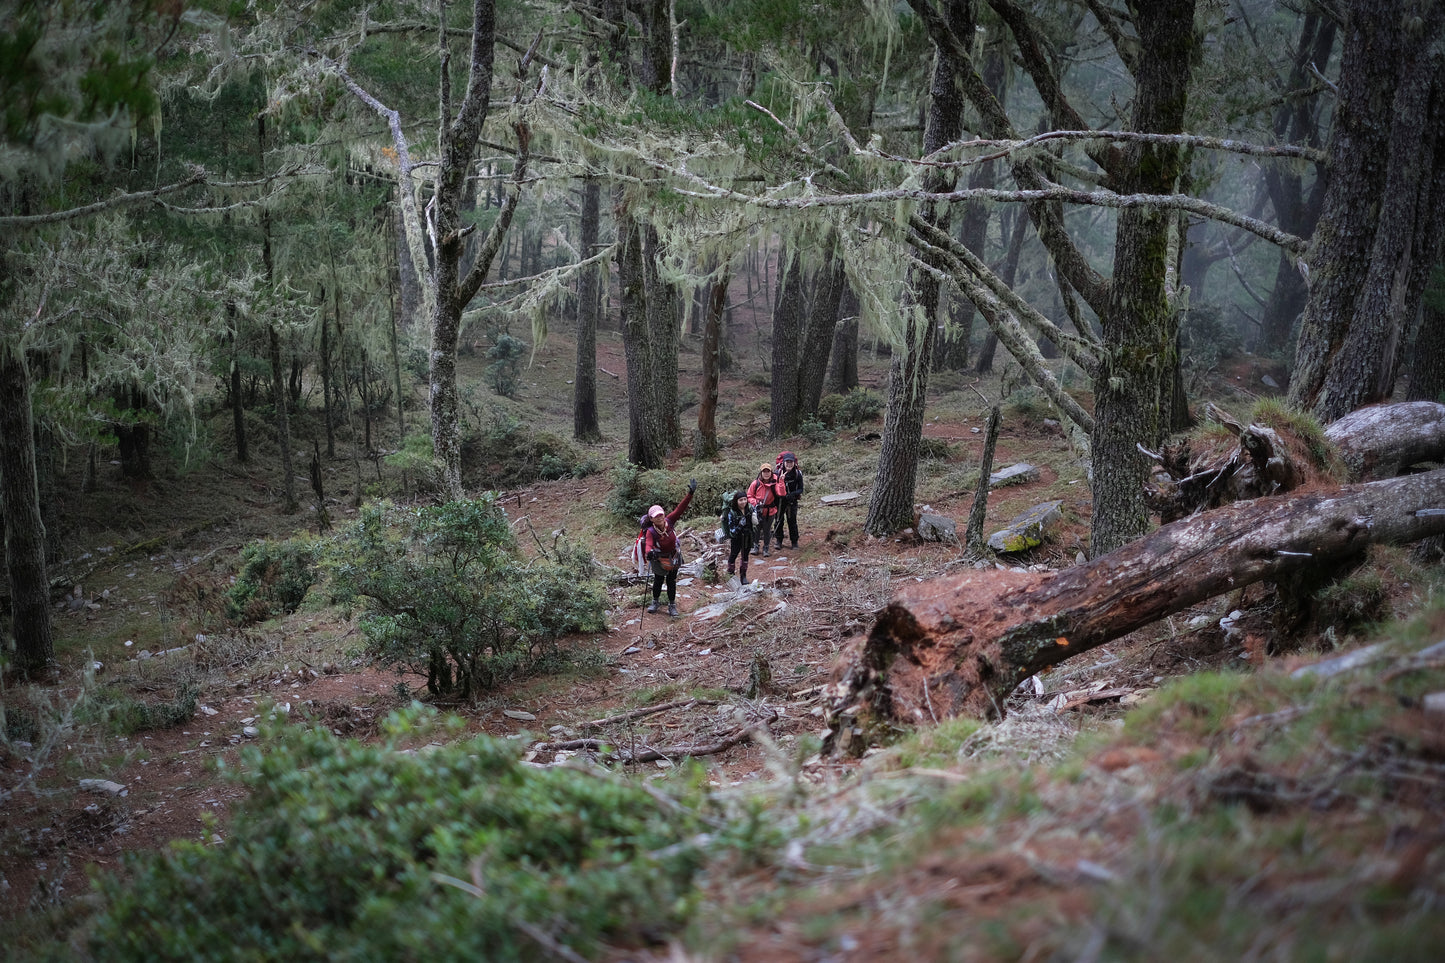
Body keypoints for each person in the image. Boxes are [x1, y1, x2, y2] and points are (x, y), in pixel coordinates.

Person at [643, 478, 695, 616]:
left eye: (661, 514)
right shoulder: (651, 531)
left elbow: (680, 508)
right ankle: (655, 602)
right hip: (659, 558)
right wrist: (650, 553)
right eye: (656, 516)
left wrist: (690, 494)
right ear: (652, 519)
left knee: (671, 581)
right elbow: (648, 544)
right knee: (658, 580)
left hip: (673, 556)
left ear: (664, 514)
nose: (659, 517)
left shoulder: (669, 521)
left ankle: (672, 605)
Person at [747, 463, 784, 557]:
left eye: (768, 471)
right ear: (761, 472)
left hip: (770, 511)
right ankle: (755, 546)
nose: (766, 473)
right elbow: (749, 496)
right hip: (757, 511)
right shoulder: (756, 483)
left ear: (771, 472)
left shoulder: (775, 482)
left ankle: (766, 548)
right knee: (756, 529)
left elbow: (781, 493)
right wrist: (755, 502)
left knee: (767, 530)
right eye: (764, 471)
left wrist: (781, 482)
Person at [720, 490, 755, 584]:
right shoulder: (732, 513)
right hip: (736, 538)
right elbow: (732, 531)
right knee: (734, 554)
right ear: (736, 501)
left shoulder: (750, 509)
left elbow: (755, 522)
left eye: (745, 499)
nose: (743, 502)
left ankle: (743, 576)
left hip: (748, 536)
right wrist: (740, 526)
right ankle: (730, 573)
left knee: (745, 556)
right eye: (741, 500)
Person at [773, 450, 804, 549]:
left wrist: (793, 494)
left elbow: (801, 489)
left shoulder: (797, 474)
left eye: (791, 462)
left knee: (792, 521)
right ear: (783, 462)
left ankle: (794, 542)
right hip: (780, 501)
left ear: (794, 463)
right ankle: (778, 541)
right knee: (778, 520)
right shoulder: (777, 473)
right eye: (787, 462)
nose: (789, 464)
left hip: (792, 501)